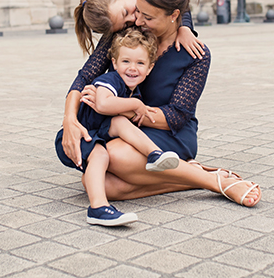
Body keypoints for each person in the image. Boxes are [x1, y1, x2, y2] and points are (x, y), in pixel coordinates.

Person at [59, 0, 261, 209]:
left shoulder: (196, 54)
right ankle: (190, 175)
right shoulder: (129, 35)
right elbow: (86, 75)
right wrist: (70, 119)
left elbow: (177, 116)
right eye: (138, 13)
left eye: (148, 17)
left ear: (175, 16)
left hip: (171, 133)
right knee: (98, 184)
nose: (139, 21)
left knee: (112, 155)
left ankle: (214, 182)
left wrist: (121, 110)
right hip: (131, 130)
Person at [55, 27, 180, 226]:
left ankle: (155, 155)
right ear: (114, 63)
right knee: (100, 154)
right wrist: (137, 105)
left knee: (120, 122)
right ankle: (98, 208)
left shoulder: (133, 90)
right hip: (81, 135)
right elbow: (103, 104)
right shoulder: (111, 80)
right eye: (126, 61)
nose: (132, 68)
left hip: (101, 129)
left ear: (150, 68)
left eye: (140, 63)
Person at [73, 0, 205, 59]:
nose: (135, 20)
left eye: (126, 13)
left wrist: (185, 28)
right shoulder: (106, 14)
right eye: (126, 25)